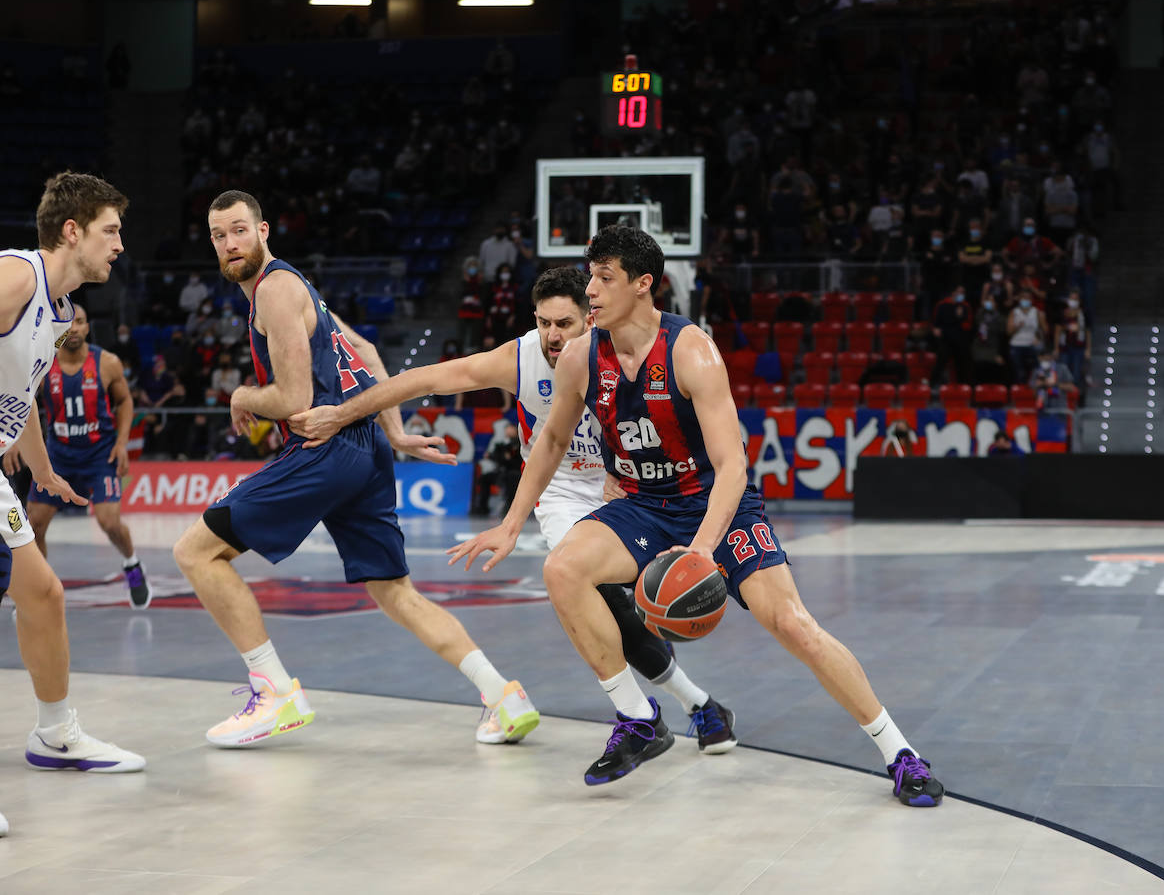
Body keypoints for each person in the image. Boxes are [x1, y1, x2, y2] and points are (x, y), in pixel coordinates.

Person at [449, 226, 942, 806]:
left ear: (643, 285)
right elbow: (552, 440)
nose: (593, 291)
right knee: (563, 570)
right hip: (642, 505)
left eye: (604, 279)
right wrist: (510, 523)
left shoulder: (691, 350)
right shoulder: (583, 355)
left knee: (792, 625)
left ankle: (900, 754)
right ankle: (637, 717)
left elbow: (734, 465)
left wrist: (702, 549)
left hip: (715, 505)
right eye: (590, 277)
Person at [288, 265, 740, 752]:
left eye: (563, 324)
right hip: (561, 487)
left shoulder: (623, 351)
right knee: (601, 598)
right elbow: (427, 379)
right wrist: (343, 413)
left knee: (651, 602)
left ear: (591, 320)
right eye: (543, 322)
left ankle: (693, 704)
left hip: (632, 486)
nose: (551, 335)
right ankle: (684, 708)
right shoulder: (520, 359)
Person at [172, 190, 540, 749]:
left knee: (195, 552)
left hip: (328, 447)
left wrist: (243, 394)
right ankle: (502, 695)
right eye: (219, 235)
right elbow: (365, 350)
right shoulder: (302, 289)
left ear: (264, 230)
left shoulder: (273, 289)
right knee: (395, 592)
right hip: (366, 445)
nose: (229, 244)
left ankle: (274, 693)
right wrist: (392, 432)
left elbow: (294, 397)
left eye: (239, 230)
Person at [0, 172, 147, 837]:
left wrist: (43, 467)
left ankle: (56, 733)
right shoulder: (18, 278)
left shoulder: (59, 314)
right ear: (72, 230)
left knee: (43, 595)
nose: (119, 244)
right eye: (110, 230)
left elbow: (20, 390)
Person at [13, 304, 147, 607]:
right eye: (68, 322)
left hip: (100, 456)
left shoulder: (107, 362)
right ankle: (41, 591)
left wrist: (122, 442)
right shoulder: (44, 362)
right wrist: (14, 444)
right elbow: (21, 402)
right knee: (35, 524)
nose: (73, 328)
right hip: (58, 456)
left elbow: (125, 401)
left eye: (81, 322)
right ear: (58, 325)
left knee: (109, 522)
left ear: (88, 328)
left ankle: (132, 564)